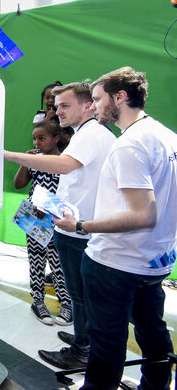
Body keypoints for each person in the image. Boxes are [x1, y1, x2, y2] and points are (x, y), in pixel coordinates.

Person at [54, 67, 177, 390]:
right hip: (153, 261)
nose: (92, 107)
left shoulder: (130, 145)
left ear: (120, 97)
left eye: (96, 99)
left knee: (107, 343)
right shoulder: (166, 136)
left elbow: (143, 215)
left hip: (116, 263)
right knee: (153, 332)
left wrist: (80, 225)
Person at [4, 81, 116, 370]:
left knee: (78, 293)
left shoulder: (89, 136)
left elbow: (64, 167)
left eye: (64, 105)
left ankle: (81, 350)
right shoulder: (88, 135)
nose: (57, 110)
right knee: (76, 289)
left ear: (87, 104)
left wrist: (9, 155)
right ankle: (83, 336)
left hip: (76, 229)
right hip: (65, 222)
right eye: (55, 105)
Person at [12, 120, 72, 326]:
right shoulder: (35, 159)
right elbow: (19, 184)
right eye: (35, 138)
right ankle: (37, 301)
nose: (37, 143)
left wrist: (47, 205)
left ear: (56, 138)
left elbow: (69, 192)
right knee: (36, 261)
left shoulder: (65, 161)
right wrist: (25, 162)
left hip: (56, 220)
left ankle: (67, 304)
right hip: (34, 219)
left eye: (42, 138)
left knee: (59, 264)